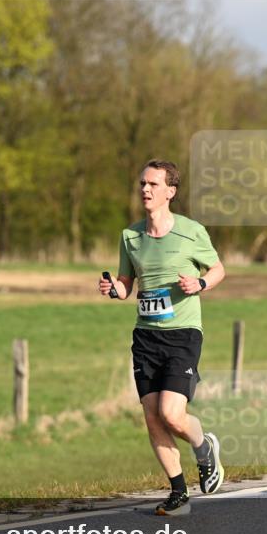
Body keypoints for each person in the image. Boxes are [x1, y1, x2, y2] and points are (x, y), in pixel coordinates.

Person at [99, 159, 226, 515]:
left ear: (170, 191)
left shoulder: (191, 232)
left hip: (183, 334)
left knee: (171, 414)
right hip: (146, 337)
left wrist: (200, 283)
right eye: (142, 183)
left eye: (153, 184)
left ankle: (204, 447)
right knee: (153, 417)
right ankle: (178, 493)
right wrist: (113, 289)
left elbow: (218, 269)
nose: (145, 189)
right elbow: (126, 284)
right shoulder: (131, 236)